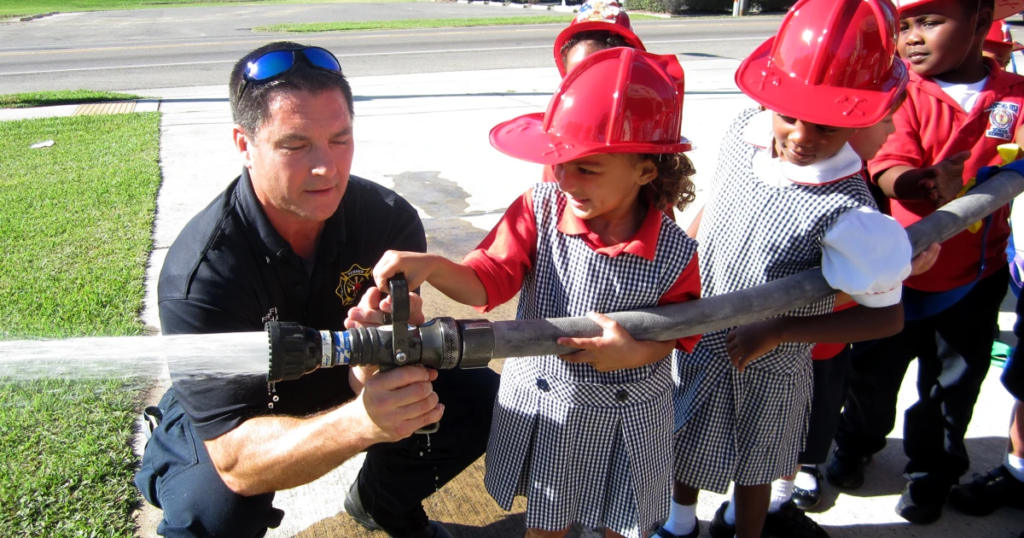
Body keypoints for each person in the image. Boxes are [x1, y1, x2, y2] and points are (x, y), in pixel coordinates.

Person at [134, 41, 500, 538]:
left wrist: (386, 352)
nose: (326, 167)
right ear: (244, 145)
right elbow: (236, 461)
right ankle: (171, 456)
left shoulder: (388, 220)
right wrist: (361, 423)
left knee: (478, 399)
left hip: (340, 375)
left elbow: (385, 364)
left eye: (340, 139)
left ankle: (382, 503)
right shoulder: (201, 274)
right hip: (247, 401)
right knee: (211, 511)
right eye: (295, 145)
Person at [373, 48, 702, 538]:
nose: (565, 179)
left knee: (620, 522)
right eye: (560, 161)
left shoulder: (673, 250)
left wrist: (635, 352)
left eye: (588, 168)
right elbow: (487, 278)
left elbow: (678, 330)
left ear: (645, 171)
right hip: (552, 407)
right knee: (546, 522)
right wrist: (435, 267)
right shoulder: (538, 210)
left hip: (629, 415)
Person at [657, 1, 914, 537]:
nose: (799, 136)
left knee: (758, 464)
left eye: (826, 126)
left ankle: (743, 529)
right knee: (683, 441)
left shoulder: (851, 213)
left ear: (861, 117)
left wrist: (780, 330)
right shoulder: (744, 133)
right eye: (789, 114)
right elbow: (717, 209)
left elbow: (885, 318)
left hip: (772, 364)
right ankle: (679, 525)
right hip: (699, 337)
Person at [827, 0, 1024, 524]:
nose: (911, 37)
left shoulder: (1015, 95)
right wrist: (925, 184)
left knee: (952, 384)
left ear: (980, 20)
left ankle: (932, 470)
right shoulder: (901, 91)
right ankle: (856, 442)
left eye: (930, 22)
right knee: (872, 374)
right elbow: (887, 166)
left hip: (976, 276)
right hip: (897, 273)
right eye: (904, 27)